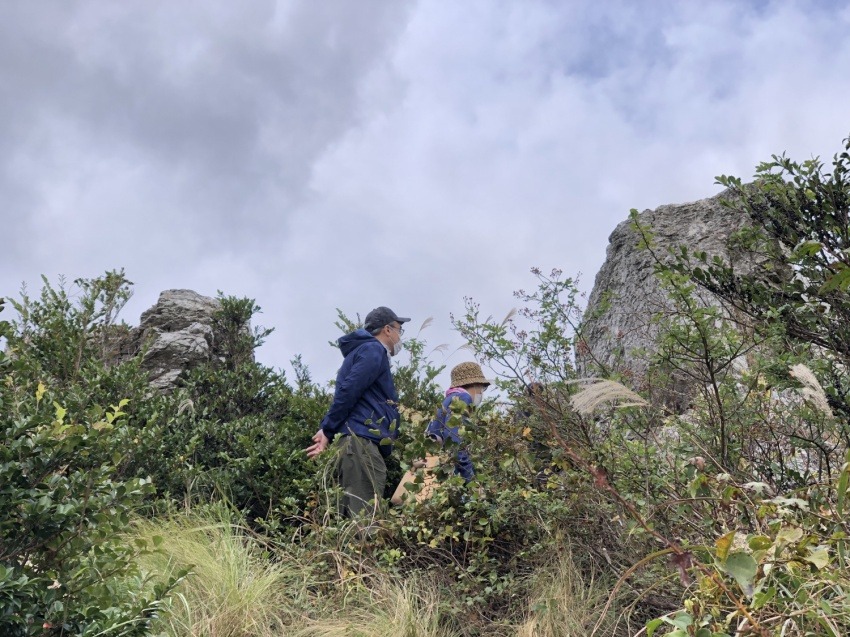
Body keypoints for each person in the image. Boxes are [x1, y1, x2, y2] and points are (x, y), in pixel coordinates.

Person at [305, 306, 410, 517]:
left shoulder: (363, 351)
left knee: (350, 517)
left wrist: (328, 429)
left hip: (355, 444)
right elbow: (350, 389)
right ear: (387, 329)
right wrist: (327, 429)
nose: (400, 336)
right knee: (365, 520)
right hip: (361, 443)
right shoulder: (373, 350)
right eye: (399, 330)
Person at [424, 361, 490, 481]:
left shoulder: (448, 400)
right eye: (482, 388)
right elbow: (455, 442)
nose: (481, 392)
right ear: (475, 385)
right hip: (446, 471)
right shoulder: (463, 398)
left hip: (431, 466)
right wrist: (469, 478)